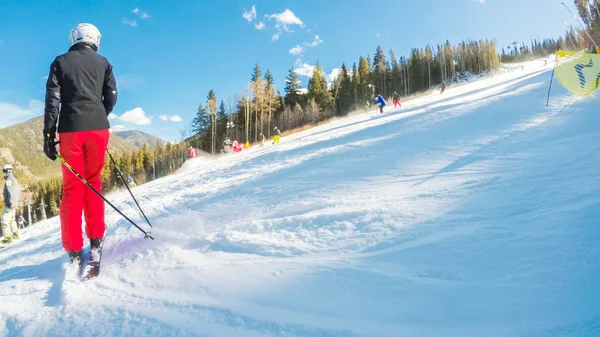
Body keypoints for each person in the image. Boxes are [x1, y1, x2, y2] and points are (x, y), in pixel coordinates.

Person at [43, 23, 117, 265]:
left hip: (70, 130)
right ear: (94, 39)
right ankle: (96, 239)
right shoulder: (103, 62)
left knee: (73, 189)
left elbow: (53, 101)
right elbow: (112, 95)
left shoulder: (60, 62)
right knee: (93, 183)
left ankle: (74, 249)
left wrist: (48, 135)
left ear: (74, 38)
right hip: (98, 129)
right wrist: (99, 114)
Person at [2, 164, 20, 244]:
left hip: (10, 203)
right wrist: (16, 202)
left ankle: (7, 238)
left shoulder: (9, 179)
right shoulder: (13, 179)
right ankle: (15, 234)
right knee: (11, 219)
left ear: (7, 171)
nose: (3, 173)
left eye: (4, 171)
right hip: (14, 203)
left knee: (4, 220)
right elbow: (17, 191)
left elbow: (11, 192)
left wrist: (10, 203)